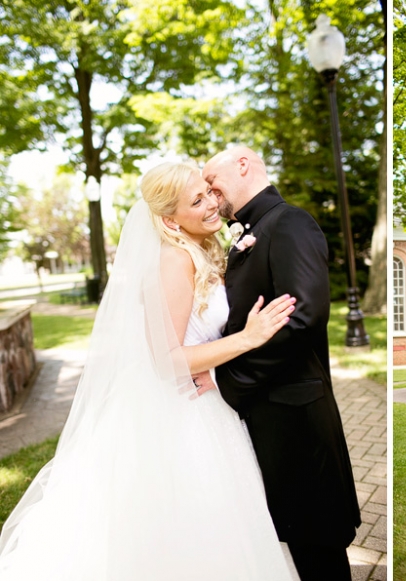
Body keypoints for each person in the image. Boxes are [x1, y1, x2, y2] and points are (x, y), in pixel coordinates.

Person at [0, 162, 298, 580]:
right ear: (169, 220)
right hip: (181, 418)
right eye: (197, 201)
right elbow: (166, 361)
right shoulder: (174, 262)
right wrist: (247, 339)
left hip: (211, 405)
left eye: (208, 192)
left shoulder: (203, 250)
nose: (213, 203)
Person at [197, 146, 361, 581]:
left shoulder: (288, 222)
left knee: (317, 548)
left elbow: (304, 317)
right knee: (292, 542)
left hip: (295, 417)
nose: (211, 197)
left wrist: (229, 379)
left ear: (244, 165)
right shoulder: (251, 229)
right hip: (265, 415)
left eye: (213, 184)